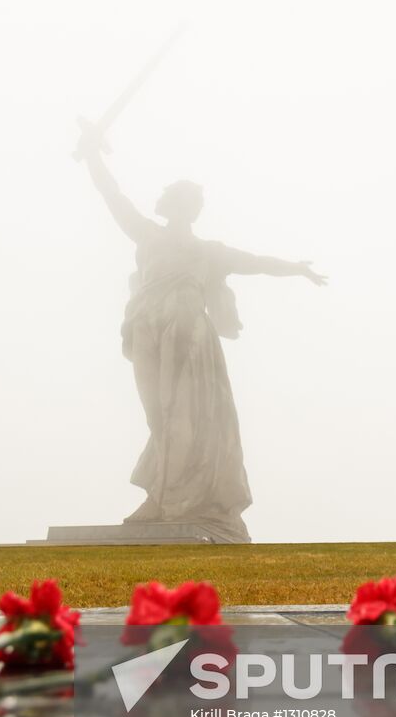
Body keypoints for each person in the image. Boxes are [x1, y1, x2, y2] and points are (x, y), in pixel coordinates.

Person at [80, 137, 326, 543]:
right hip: (145, 324)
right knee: (156, 415)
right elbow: (113, 195)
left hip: (186, 326)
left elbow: (256, 263)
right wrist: (92, 155)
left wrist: (297, 268)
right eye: (185, 202)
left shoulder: (207, 251)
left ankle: (165, 499)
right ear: (171, 205)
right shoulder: (147, 234)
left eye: (194, 205)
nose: (191, 209)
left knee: (179, 413)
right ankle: (164, 494)